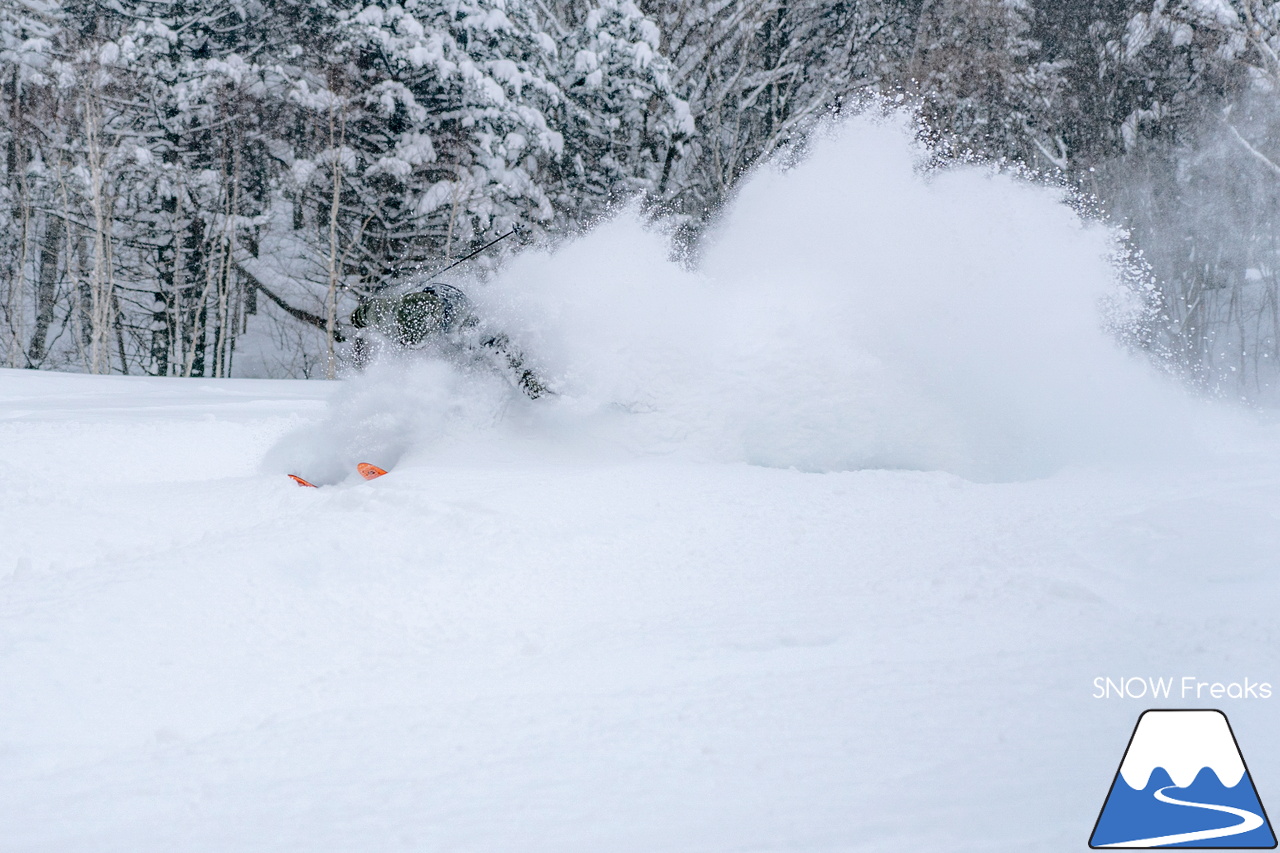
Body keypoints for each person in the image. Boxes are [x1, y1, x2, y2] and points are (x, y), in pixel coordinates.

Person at [349, 284, 549, 399]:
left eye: (420, 342)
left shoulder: (468, 326)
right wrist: (358, 317)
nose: (418, 347)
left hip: (461, 346)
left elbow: (501, 347)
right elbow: (370, 310)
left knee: (457, 379)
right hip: (430, 305)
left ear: (432, 330)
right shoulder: (390, 309)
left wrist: (526, 380)